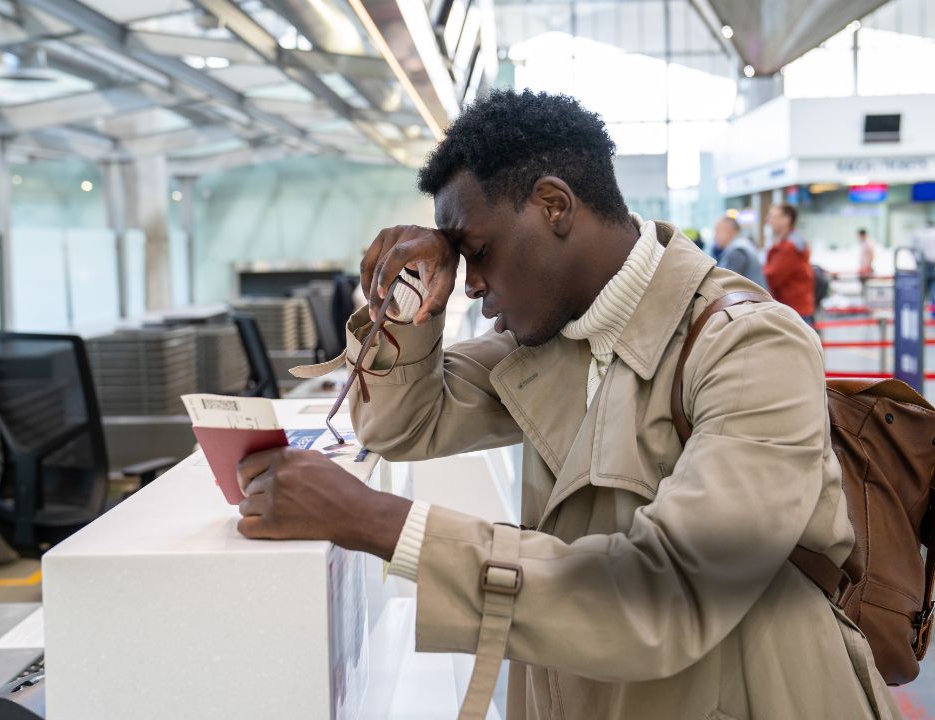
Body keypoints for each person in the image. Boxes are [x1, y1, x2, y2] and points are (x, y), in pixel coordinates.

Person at [233, 91, 897, 719]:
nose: (474, 288)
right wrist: (410, 303)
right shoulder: (556, 334)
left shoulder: (752, 347)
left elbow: (669, 596)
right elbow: (405, 424)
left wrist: (379, 523)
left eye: (479, 252)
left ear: (555, 206)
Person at [763, 204, 815, 325]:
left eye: (773, 217)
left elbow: (772, 276)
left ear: (787, 219)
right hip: (797, 308)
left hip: (793, 310)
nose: (769, 220)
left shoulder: (788, 248)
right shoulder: (794, 243)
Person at [713, 215, 766, 288]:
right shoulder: (743, 244)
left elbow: (726, 285)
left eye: (717, 230)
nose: (715, 236)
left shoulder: (737, 251)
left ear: (728, 230)